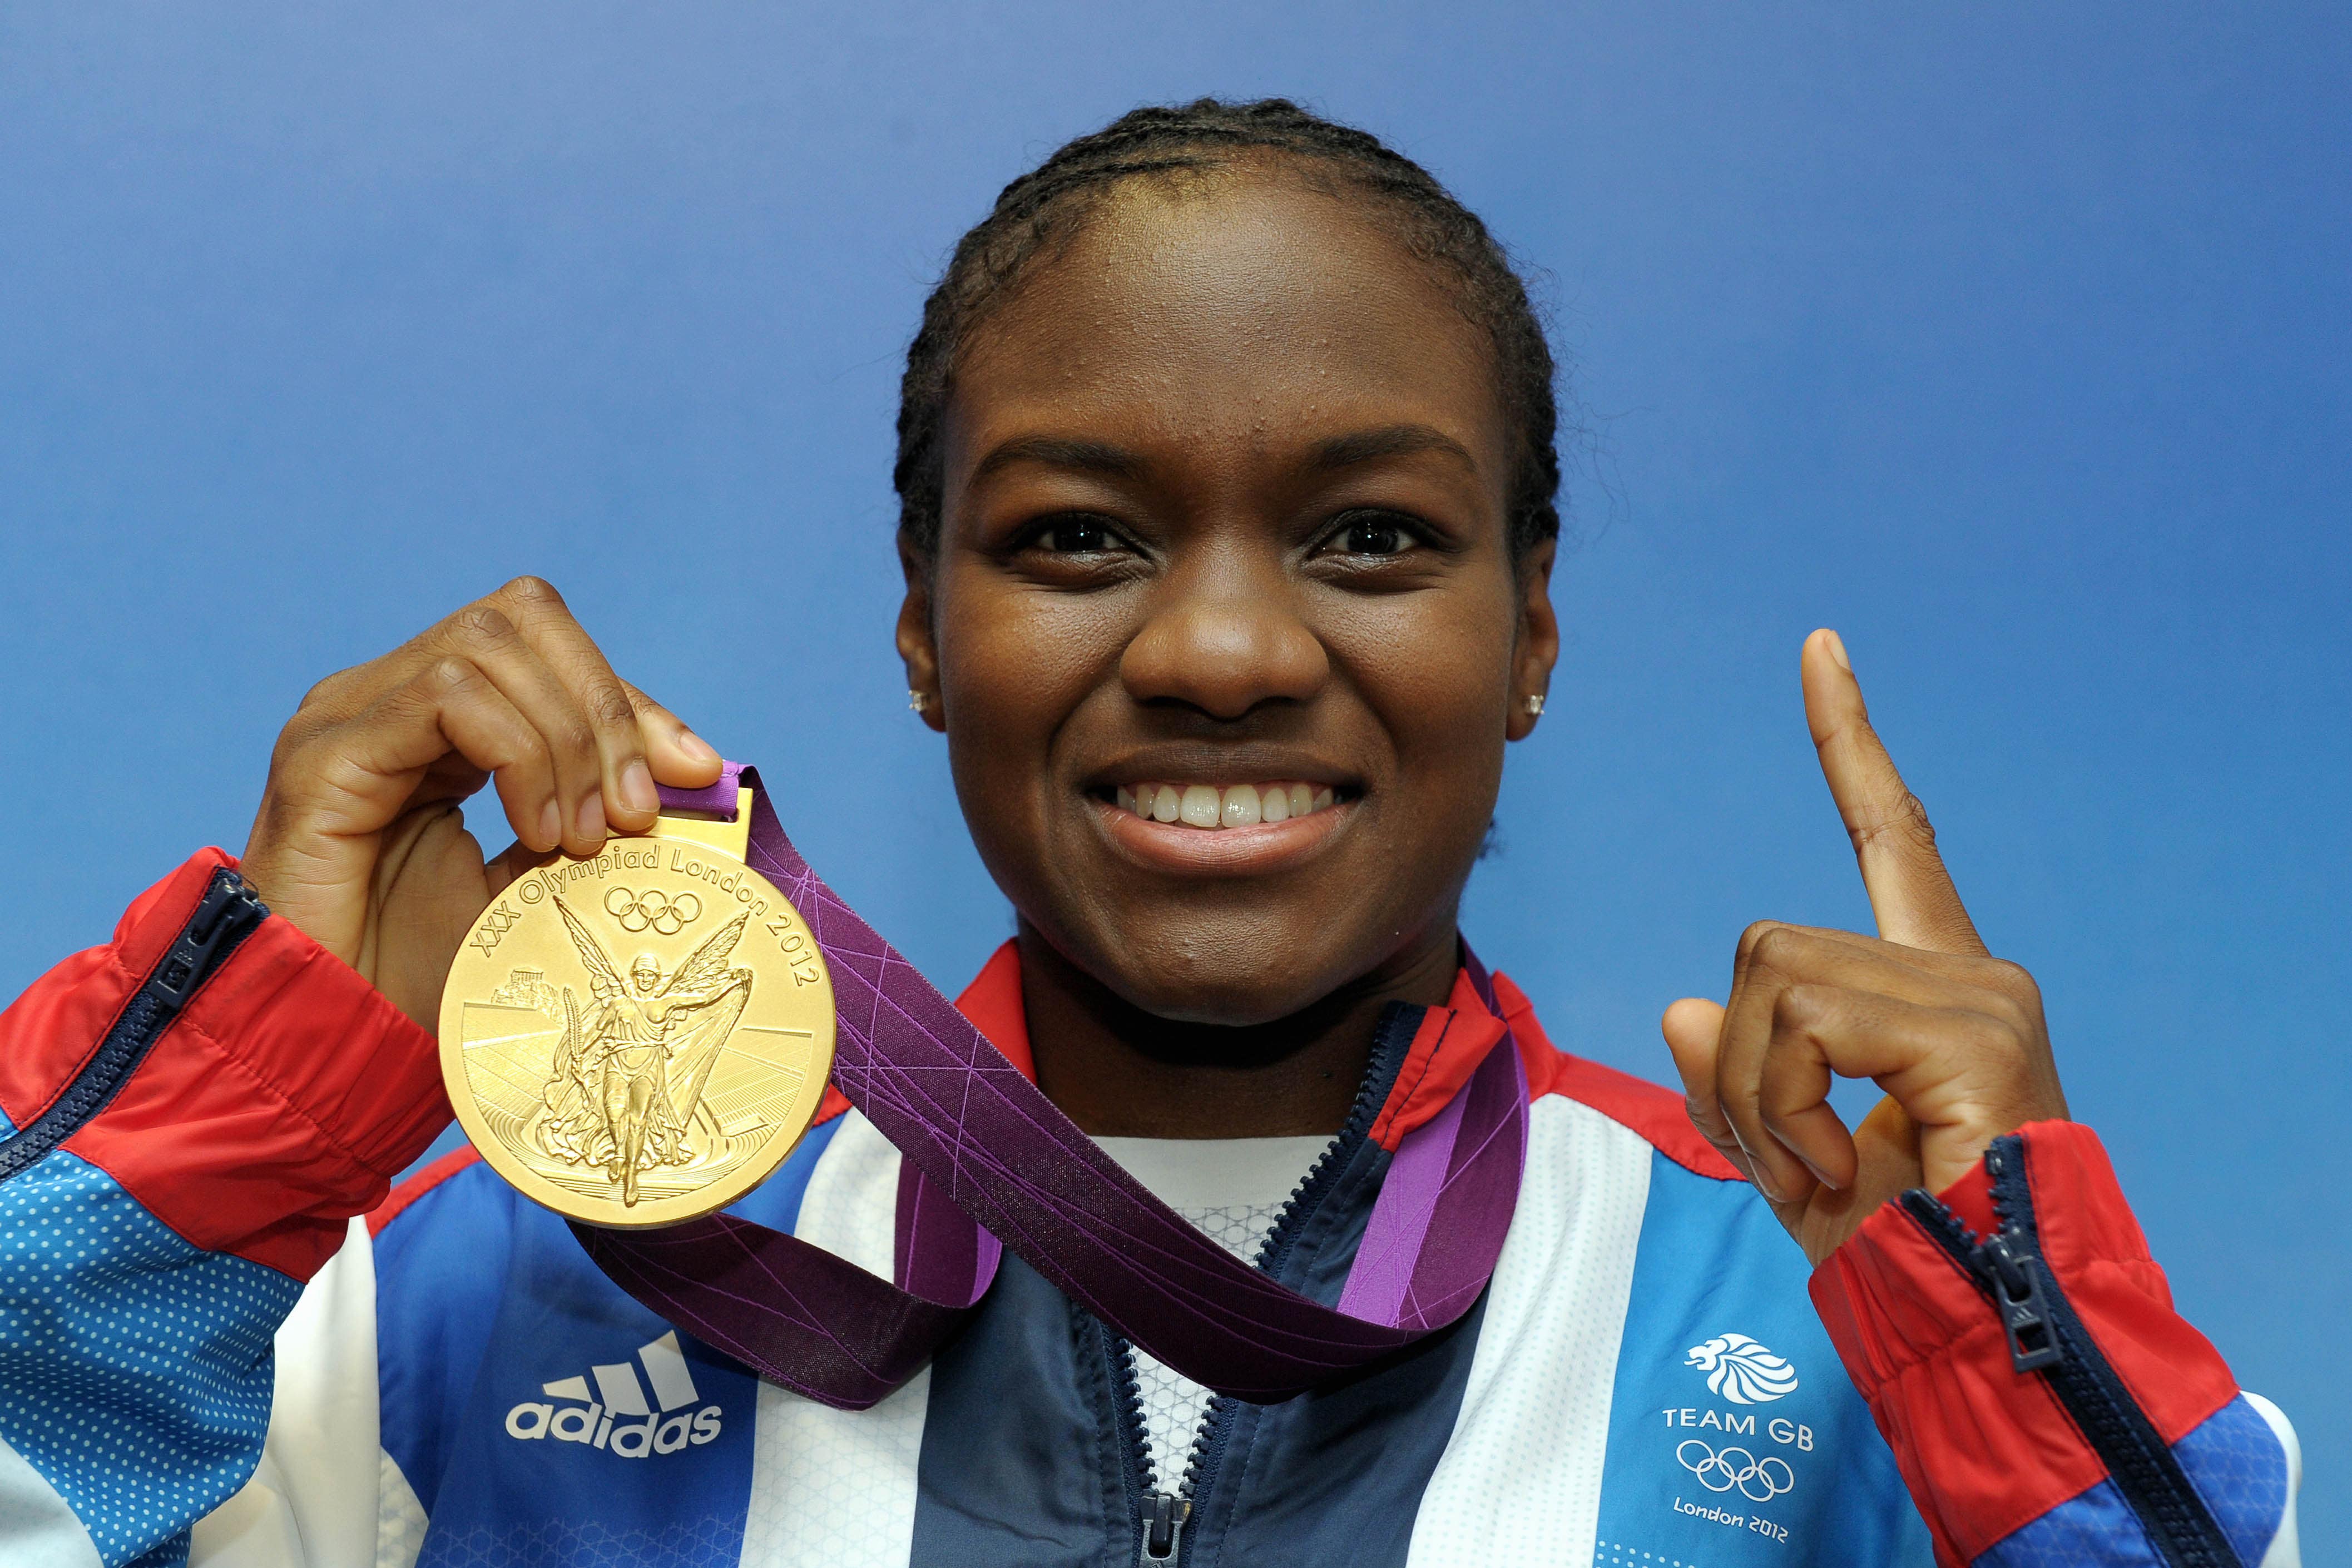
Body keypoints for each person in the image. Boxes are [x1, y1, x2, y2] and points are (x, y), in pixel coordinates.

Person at [0, 100, 2301, 1568]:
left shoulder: (1820, 1332)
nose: (1214, 648)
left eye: (1375, 539)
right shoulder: (482, 1292)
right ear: (922, 635)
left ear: (1529, 643)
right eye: (1080, 537)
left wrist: (2017, 1341)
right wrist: (227, 1130)